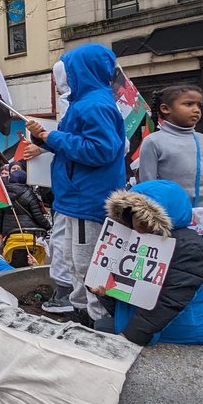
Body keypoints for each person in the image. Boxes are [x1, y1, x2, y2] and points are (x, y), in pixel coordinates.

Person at [26, 44, 125, 323]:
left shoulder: (95, 105)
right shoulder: (88, 103)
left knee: (85, 264)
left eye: (66, 72)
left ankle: (97, 318)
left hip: (86, 199)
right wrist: (43, 137)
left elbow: (100, 150)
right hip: (76, 197)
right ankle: (84, 312)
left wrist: (51, 137)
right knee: (75, 262)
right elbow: (76, 144)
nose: (61, 81)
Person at [93, 181, 203, 345]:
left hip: (194, 332)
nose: (138, 222)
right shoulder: (136, 240)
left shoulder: (191, 248)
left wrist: (129, 339)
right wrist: (105, 292)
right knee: (100, 327)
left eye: (145, 217)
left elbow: (168, 302)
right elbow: (132, 295)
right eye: (134, 215)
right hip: (168, 325)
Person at [138, 85, 203, 279]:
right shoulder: (153, 142)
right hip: (180, 220)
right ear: (166, 109)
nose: (196, 110)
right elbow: (149, 184)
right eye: (188, 104)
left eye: (199, 105)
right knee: (185, 272)